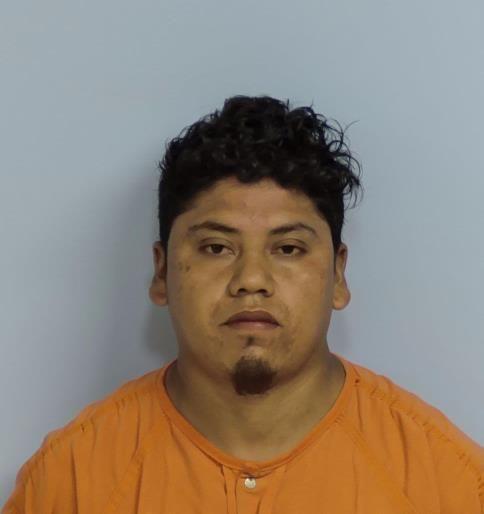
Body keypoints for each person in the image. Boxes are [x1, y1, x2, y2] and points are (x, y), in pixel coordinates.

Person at [2, 95, 483, 514]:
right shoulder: (68, 482)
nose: (252, 280)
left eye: (288, 248)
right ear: (162, 272)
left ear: (338, 275)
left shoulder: (450, 484)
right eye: (216, 247)